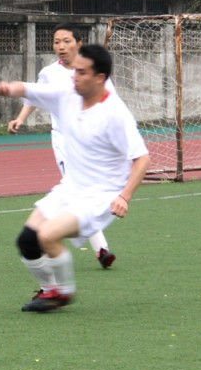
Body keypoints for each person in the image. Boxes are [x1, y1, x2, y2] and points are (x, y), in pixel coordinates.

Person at [0, 44, 150, 312]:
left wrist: (124, 196)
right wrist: (9, 89)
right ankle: (49, 290)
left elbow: (142, 158)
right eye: (75, 71)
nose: (74, 77)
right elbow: (30, 89)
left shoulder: (115, 114)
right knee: (27, 240)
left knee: (47, 235)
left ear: (99, 78)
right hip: (71, 188)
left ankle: (63, 292)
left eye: (82, 72)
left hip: (101, 196)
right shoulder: (67, 94)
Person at [8, 23, 118, 269]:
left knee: (86, 193)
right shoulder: (49, 73)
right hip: (64, 141)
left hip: (91, 141)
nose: (61, 46)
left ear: (79, 43)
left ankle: (61, 235)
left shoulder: (93, 71)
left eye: (66, 41)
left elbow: (110, 102)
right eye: (57, 42)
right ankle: (101, 249)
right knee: (78, 190)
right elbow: (35, 96)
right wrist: (20, 119)